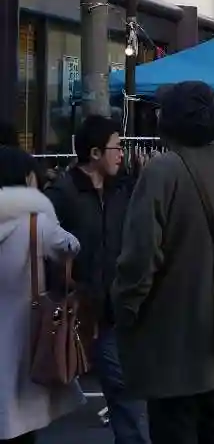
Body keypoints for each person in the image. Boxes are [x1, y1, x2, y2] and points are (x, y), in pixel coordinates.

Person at [113, 81, 214, 444]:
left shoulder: (162, 171)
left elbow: (140, 257)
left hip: (171, 333)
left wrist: (125, 309)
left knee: (174, 427)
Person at [46, 115, 147, 444]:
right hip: (79, 306)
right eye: (116, 147)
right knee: (116, 383)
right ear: (94, 153)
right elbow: (47, 247)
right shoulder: (63, 194)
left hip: (116, 305)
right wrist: (67, 285)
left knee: (122, 383)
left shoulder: (123, 189)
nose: (121, 154)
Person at [0, 146, 83, 443]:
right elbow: (71, 246)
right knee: (20, 422)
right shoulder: (36, 224)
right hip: (25, 332)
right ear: (26, 179)